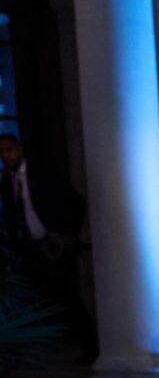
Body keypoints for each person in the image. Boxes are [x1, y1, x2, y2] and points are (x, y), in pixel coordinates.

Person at [0, 130, 93, 354]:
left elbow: (75, 202)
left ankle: (88, 345)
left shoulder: (42, 174)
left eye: (9, 150)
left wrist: (65, 234)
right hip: (29, 246)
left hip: (53, 244)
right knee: (42, 297)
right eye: (1, 152)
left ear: (19, 149)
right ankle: (52, 346)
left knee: (68, 294)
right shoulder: (7, 180)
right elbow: (13, 213)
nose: (6, 156)